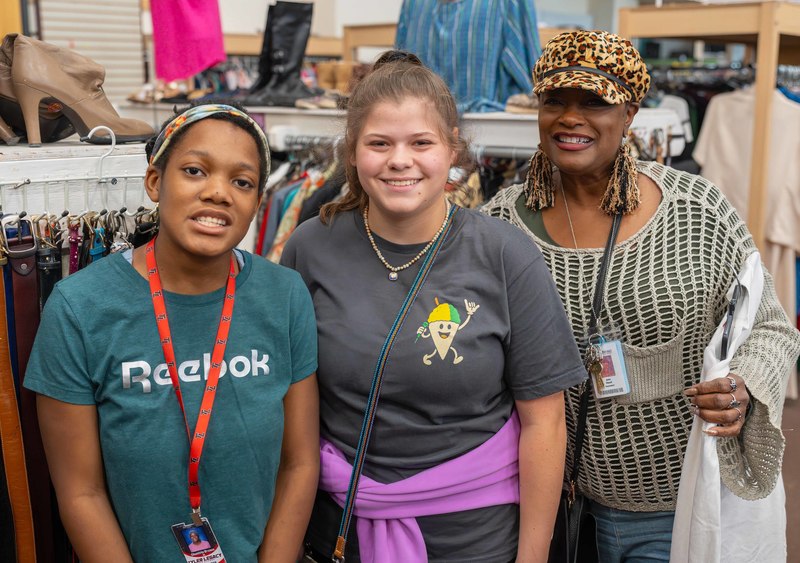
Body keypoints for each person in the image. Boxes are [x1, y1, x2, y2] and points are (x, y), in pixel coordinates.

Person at [482, 30, 800, 561]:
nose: (569, 118)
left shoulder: (696, 211)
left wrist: (742, 385)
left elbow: (771, 325)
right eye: (554, 100)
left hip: (672, 506)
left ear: (629, 113)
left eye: (593, 102)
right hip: (551, 506)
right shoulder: (497, 225)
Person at [280, 50, 586, 563]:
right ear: (352, 151)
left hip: (476, 542)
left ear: (452, 150)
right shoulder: (311, 247)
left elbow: (545, 424)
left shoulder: (506, 254)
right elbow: (292, 415)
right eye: (379, 143)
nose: (400, 160)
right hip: (339, 535)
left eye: (421, 143)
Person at [24, 102, 320, 563]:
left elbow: (299, 463)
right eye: (195, 171)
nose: (218, 192)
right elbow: (81, 492)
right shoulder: (80, 308)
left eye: (242, 182)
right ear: (155, 182)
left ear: (257, 203)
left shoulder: (284, 295)